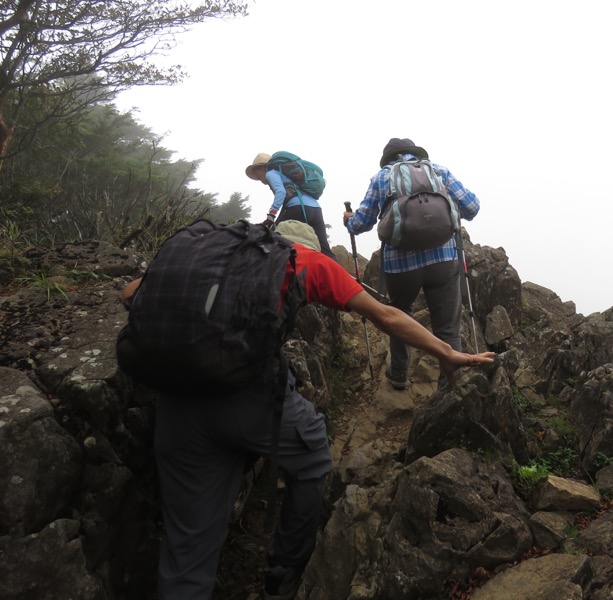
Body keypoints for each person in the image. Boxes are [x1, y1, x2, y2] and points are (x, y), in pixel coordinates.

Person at [120, 220, 495, 600]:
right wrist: (446, 351)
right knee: (313, 455)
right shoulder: (306, 262)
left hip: (176, 401)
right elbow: (386, 316)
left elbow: (130, 292)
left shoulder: (211, 257)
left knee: (187, 543)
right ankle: (285, 565)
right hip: (250, 396)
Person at [343, 137, 480, 391]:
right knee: (448, 326)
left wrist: (348, 220)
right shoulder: (439, 171)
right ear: (415, 154)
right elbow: (472, 207)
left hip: (400, 266)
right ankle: (450, 387)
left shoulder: (381, 177)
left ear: (389, 158)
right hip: (443, 259)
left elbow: (360, 224)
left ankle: (398, 376)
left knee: (399, 316)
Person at [246, 152, 338, 261]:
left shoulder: (270, 173)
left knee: (273, 239)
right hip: (316, 209)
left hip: (298, 208)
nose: (258, 178)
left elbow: (281, 192)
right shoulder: (286, 174)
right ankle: (343, 275)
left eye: (257, 173)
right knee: (325, 248)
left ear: (262, 168)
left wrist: (271, 215)